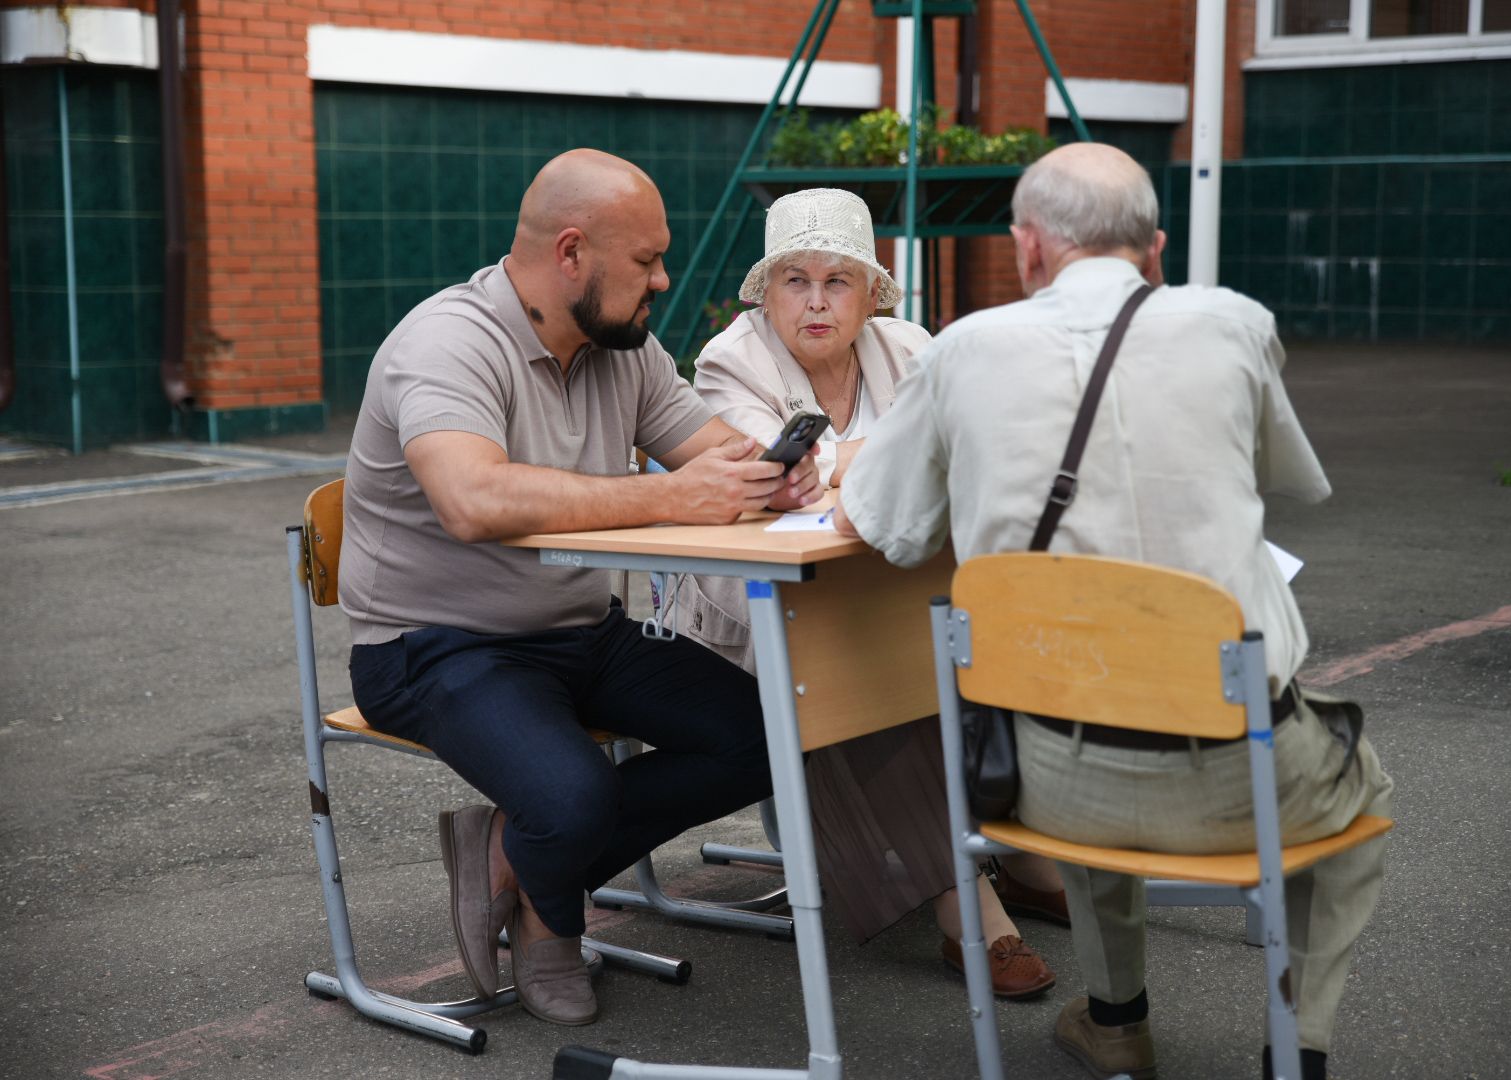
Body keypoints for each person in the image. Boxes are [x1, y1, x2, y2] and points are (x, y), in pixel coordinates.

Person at [833, 143, 1394, 1080]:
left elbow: (886, 525)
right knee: (1366, 791)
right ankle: (1301, 1050)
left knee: (1081, 703)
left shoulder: (962, 350)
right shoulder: (1235, 325)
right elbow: (1288, 481)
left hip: (1055, 789)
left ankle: (1117, 1019)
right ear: (1157, 250)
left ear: (1026, 247)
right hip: (1245, 783)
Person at [339, 149, 823, 1027]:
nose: (664, 280)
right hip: (432, 644)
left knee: (765, 737)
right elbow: (472, 498)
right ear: (572, 254)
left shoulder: (622, 347)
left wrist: (770, 478)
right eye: (646, 262)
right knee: (573, 796)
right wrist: (673, 496)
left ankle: (517, 861)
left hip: (578, 630)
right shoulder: (446, 343)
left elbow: (712, 451)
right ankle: (549, 916)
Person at [677, 187, 1065, 999]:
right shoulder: (730, 361)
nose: (816, 302)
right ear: (767, 291)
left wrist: (858, 467)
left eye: (838, 281)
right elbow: (777, 482)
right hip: (749, 614)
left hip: (879, 583)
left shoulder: (909, 348)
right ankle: (970, 900)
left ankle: (1011, 845)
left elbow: (972, 453)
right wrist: (886, 462)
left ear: (870, 294)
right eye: (795, 280)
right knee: (863, 672)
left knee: (992, 627)